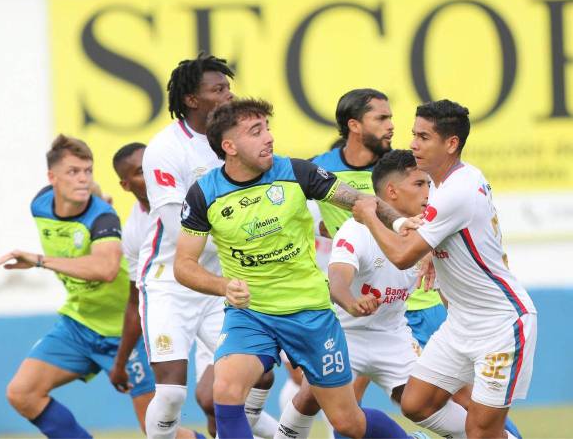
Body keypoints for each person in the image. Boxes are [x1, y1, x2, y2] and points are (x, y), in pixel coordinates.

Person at [174, 98, 424, 439]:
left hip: (310, 313)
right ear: (228, 146)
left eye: (267, 128)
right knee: (227, 390)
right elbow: (183, 265)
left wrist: (398, 225)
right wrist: (223, 286)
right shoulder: (204, 194)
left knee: (347, 423)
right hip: (251, 313)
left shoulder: (296, 172)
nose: (269, 138)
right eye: (255, 131)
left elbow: (362, 202)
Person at [352, 99, 537, 438]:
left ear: (451, 144)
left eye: (424, 137)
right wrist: (432, 251)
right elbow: (440, 232)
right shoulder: (449, 182)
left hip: (500, 324)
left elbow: (402, 256)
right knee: (415, 402)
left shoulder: (456, 192)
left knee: (481, 430)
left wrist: (370, 216)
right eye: (413, 134)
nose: (413, 144)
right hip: (461, 324)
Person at [276, 149, 470, 439]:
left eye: (429, 183)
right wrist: (352, 303)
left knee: (427, 405)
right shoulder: (356, 230)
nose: (428, 191)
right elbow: (338, 278)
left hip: (393, 337)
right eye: (419, 184)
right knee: (312, 401)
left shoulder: (429, 232)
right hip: (345, 335)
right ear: (391, 191)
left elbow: (452, 291)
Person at [137, 54, 274, 439]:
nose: (230, 95)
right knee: (171, 394)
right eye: (218, 89)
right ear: (192, 100)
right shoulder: (165, 149)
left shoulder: (238, 142)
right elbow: (173, 224)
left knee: (260, 373)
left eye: (228, 87)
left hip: (223, 283)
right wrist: (247, 236)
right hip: (171, 282)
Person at [113, 142, 277, 439]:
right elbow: (134, 297)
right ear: (126, 184)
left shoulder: (195, 196)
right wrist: (121, 360)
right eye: (138, 173)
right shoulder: (136, 230)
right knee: (181, 396)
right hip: (173, 300)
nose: (147, 177)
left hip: (216, 295)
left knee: (259, 375)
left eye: (148, 170)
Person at [0, 135, 154, 437]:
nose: (82, 179)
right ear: (51, 178)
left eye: (88, 171)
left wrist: (40, 260)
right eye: (73, 172)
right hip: (79, 325)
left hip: (127, 331)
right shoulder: (40, 204)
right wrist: (93, 191)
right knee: (22, 393)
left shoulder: (103, 218)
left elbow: (105, 269)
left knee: (158, 430)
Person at [311, 88, 392, 237]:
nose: (391, 126)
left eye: (389, 118)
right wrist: (318, 228)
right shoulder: (317, 168)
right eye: (381, 118)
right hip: (343, 260)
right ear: (354, 125)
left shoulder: (404, 168)